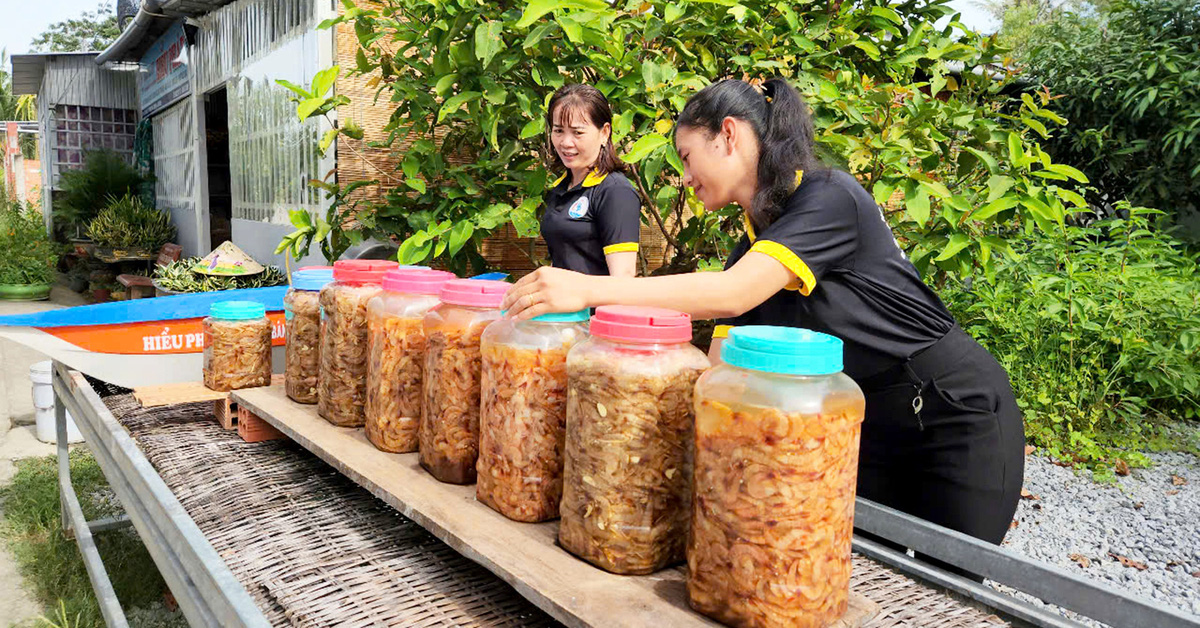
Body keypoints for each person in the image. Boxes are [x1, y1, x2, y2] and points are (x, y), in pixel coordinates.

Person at [503, 78, 1025, 559]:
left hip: (954, 413)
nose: (685, 178)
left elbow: (731, 293)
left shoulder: (828, 197)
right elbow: (714, 376)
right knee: (853, 563)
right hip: (872, 423)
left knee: (951, 590)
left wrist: (589, 288)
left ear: (727, 136)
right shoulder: (754, 247)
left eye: (687, 157)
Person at [539, 84, 642, 278]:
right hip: (564, 307)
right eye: (558, 131)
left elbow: (622, 279)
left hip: (594, 308)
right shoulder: (560, 189)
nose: (566, 142)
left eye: (578, 132)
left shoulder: (615, 191)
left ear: (604, 132)